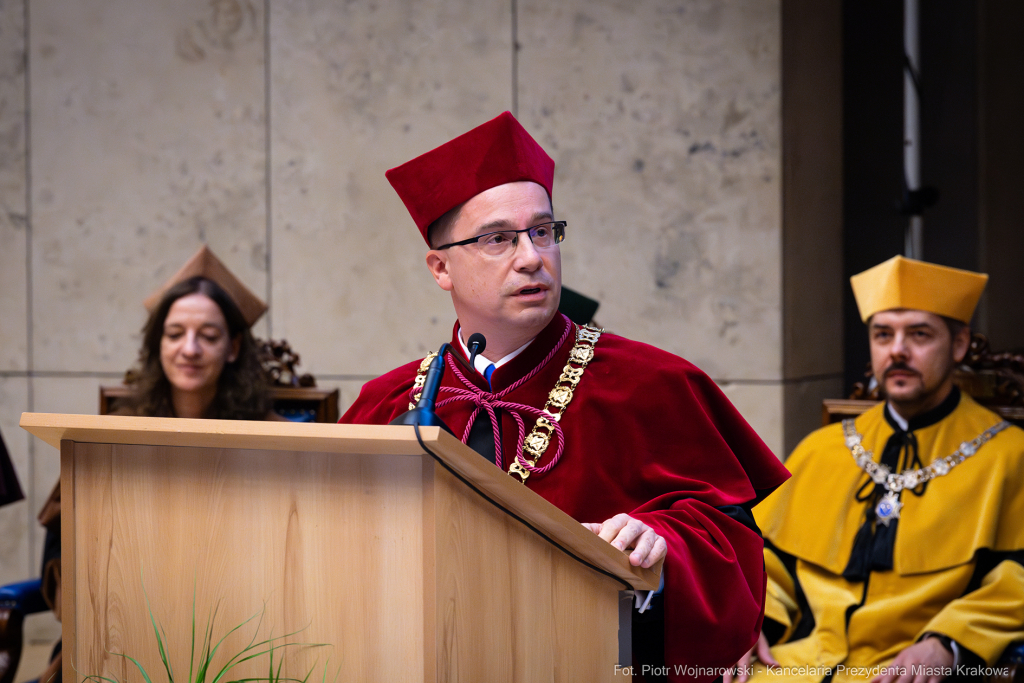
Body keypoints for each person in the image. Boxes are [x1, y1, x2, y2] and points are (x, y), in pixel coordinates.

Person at [340, 111, 791, 681]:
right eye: (498, 239)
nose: (531, 256)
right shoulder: (388, 403)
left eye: (544, 231)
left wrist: (663, 542)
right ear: (440, 268)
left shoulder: (650, 384)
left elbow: (732, 544)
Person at [731, 256, 1024, 683]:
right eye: (883, 335)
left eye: (919, 335)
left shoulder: (1009, 454)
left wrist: (948, 642)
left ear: (959, 345)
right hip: (798, 664)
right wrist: (752, 621)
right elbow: (773, 567)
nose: (897, 350)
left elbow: (1014, 578)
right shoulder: (821, 449)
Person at [29, 246, 276, 683]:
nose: (190, 349)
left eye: (209, 335)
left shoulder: (274, 437)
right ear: (157, 343)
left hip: (240, 631)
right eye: (175, 333)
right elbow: (66, 551)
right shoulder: (111, 436)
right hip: (121, 629)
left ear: (234, 346)